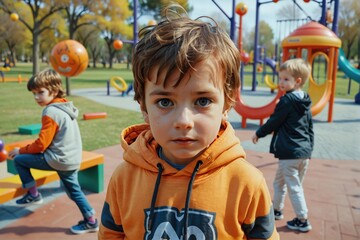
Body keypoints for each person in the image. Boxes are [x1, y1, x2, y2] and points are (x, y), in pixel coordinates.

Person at [98, 4, 279, 240]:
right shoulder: (124, 178)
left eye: (202, 101)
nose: (184, 121)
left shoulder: (246, 182)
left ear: (227, 102)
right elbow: (110, 234)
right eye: (165, 102)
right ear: (143, 105)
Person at [8, 68, 98, 235]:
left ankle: (34, 194)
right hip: (70, 158)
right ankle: (90, 219)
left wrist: (20, 150)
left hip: (59, 160)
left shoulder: (50, 112)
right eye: (34, 93)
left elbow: (41, 144)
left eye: (40, 92)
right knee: (74, 191)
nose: (36, 97)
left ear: (54, 90)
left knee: (20, 160)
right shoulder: (65, 108)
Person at [252, 58, 314, 232]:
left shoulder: (287, 101)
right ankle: (277, 209)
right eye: (280, 78)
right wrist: (309, 149)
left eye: (286, 79)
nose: (281, 82)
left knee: (294, 187)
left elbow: (274, 121)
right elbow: (309, 127)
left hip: (290, 153)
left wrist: (259, 133)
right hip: (302, 153)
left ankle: (302, 219)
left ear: (298, 81)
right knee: (279, 182)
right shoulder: (305, 101)